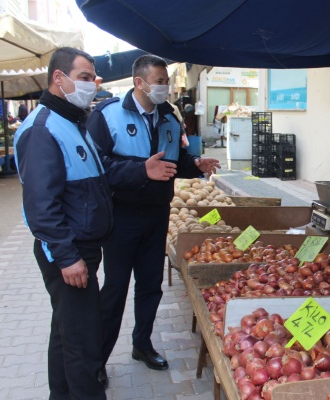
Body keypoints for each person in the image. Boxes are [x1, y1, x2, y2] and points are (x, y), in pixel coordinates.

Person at [86, 54, 221, 379]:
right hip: (121, 217)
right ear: (139, 82)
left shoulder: (170, 119)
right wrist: (140, 171)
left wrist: (195, 166)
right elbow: (94, 166)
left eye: (166, 82)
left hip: (157, 216)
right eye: (160, 82)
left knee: (151, 285)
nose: (165, 87)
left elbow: (174, 163)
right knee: (116, 288)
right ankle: (98, 360)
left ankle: (142, 344)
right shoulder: (108, 116)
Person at [13, 47, 109, 400]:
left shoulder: (72, 122)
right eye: (84, 78)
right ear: (59, 78)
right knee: (84, 343)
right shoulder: (43, 129)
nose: (91, 85)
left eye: (92, 78)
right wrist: (67, 257)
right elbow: (42, 206)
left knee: (66, 332)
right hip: (69, 252)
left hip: (81, 248)